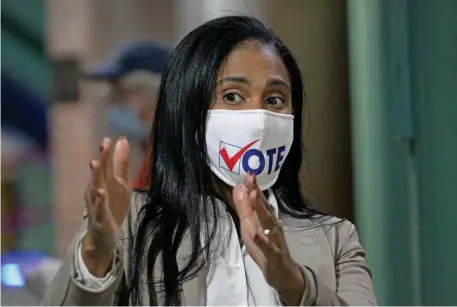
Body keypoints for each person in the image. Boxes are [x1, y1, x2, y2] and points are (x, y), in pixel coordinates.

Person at [42, 16, 377, 306]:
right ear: (189, 109)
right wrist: (95, 256)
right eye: (233, 96)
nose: (258, 117)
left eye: (275, 99)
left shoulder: (333, 239)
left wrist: (292, 282)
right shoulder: (132, 225)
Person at [85, 41, 169, 188]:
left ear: (156, 95)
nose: (113, 105)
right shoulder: (155, 153)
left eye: (121, 94)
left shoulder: (181, 159)